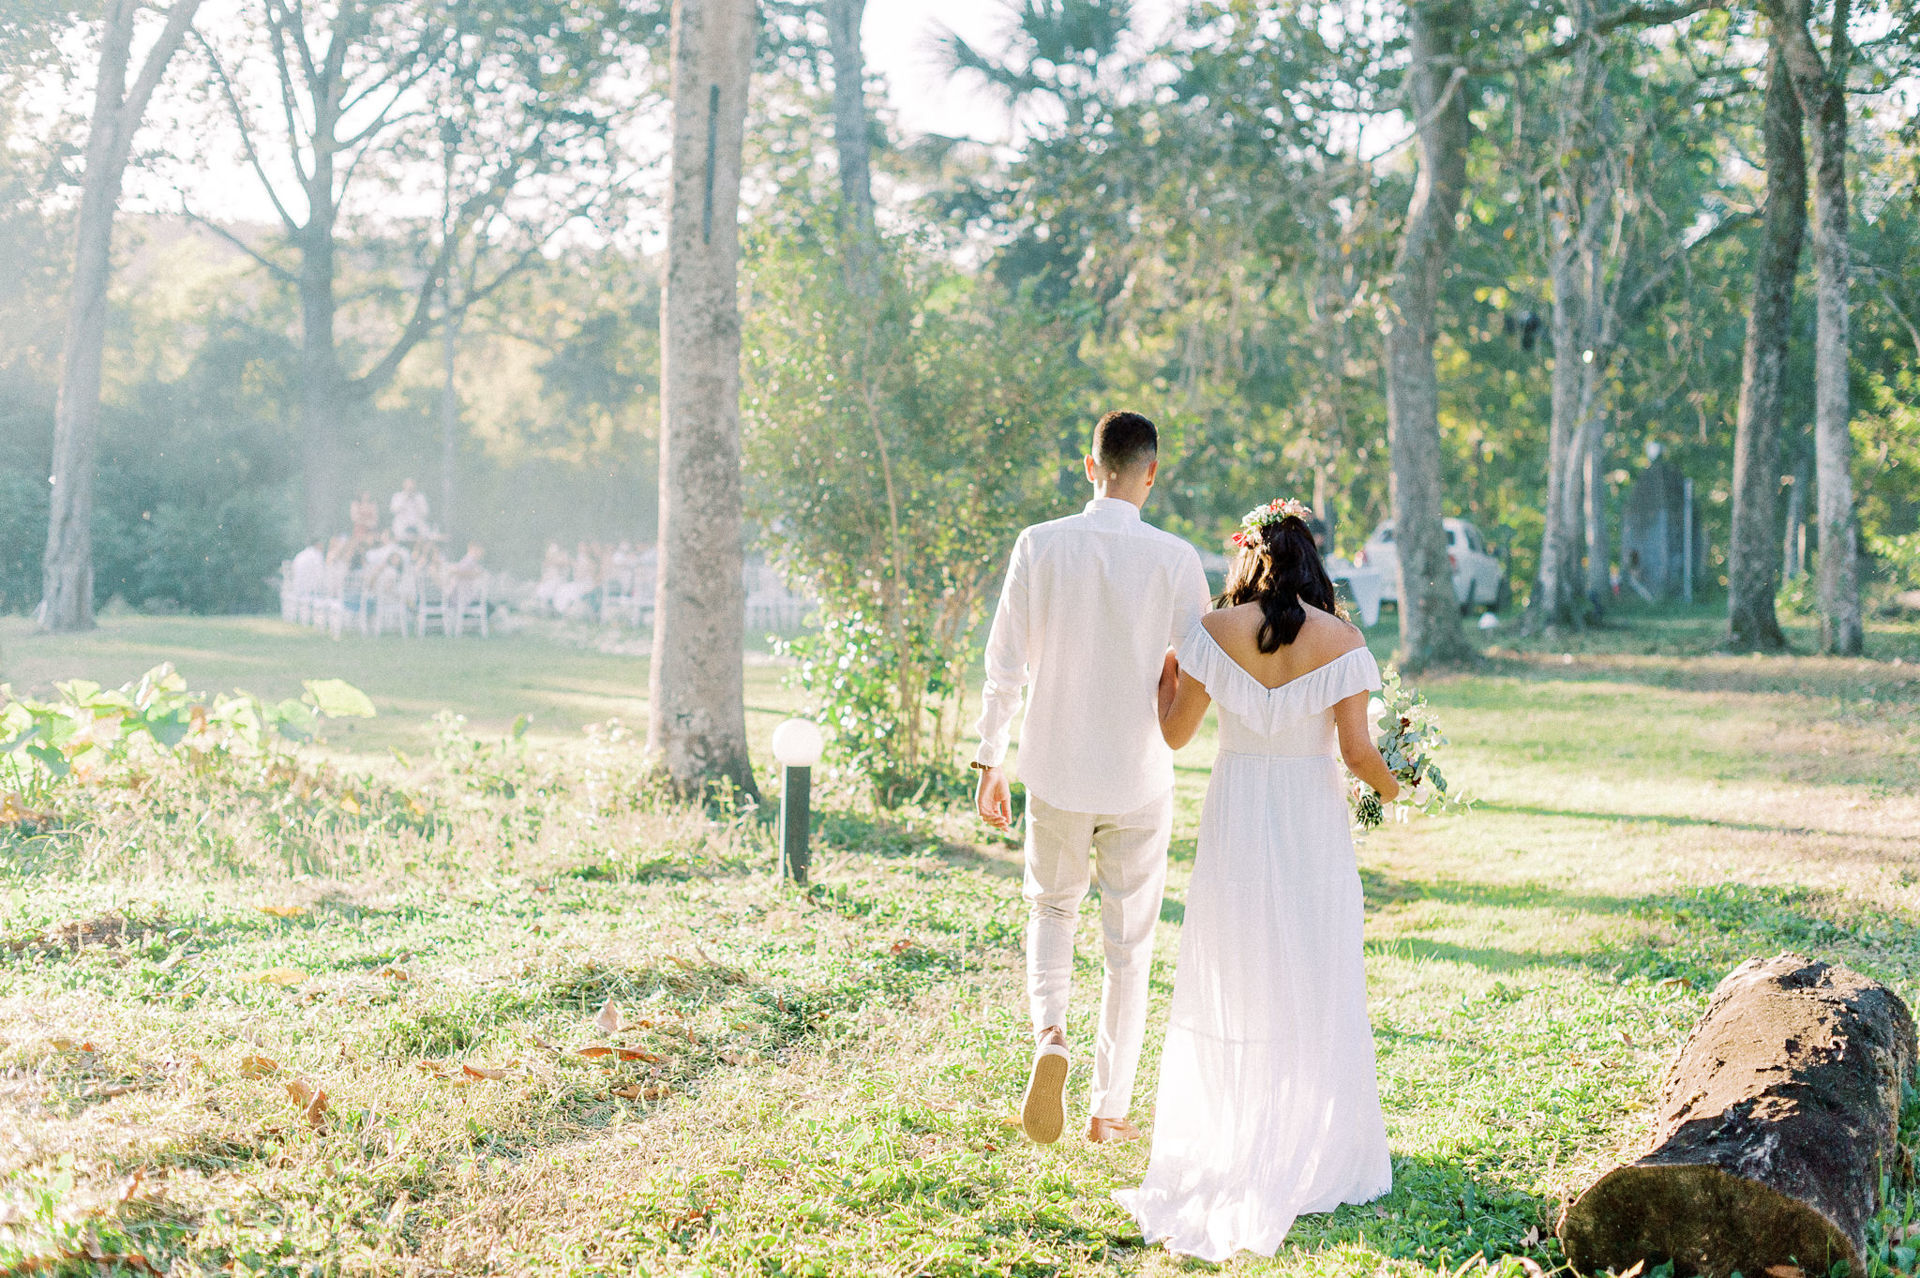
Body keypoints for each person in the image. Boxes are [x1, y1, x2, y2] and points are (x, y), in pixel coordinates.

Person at [1115, 498, 1402, 1263]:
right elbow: (1356, 755)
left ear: (1248, 556)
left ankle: (1235, 1128)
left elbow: (1174, 734)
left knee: (1236, 963)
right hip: (1309, 815)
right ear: (1312, 561)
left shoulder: (1212, 632)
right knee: (1312, 961)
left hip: (1239, 808)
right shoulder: (1344, 640)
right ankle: (1309, 1136)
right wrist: (1400, 783)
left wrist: (1165, 677)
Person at [972, 410, 1211, 1147]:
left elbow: (1004, 659)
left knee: (1051, 913)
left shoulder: (1039, 544)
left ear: (1089, 467)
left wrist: (991, 756)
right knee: (1128, 948)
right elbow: (1200, 662)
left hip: (1055, 770)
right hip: (1139, 775)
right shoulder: (1175, 558)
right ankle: (1108, 1109)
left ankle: (1050, 1035)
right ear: (1151, 475)